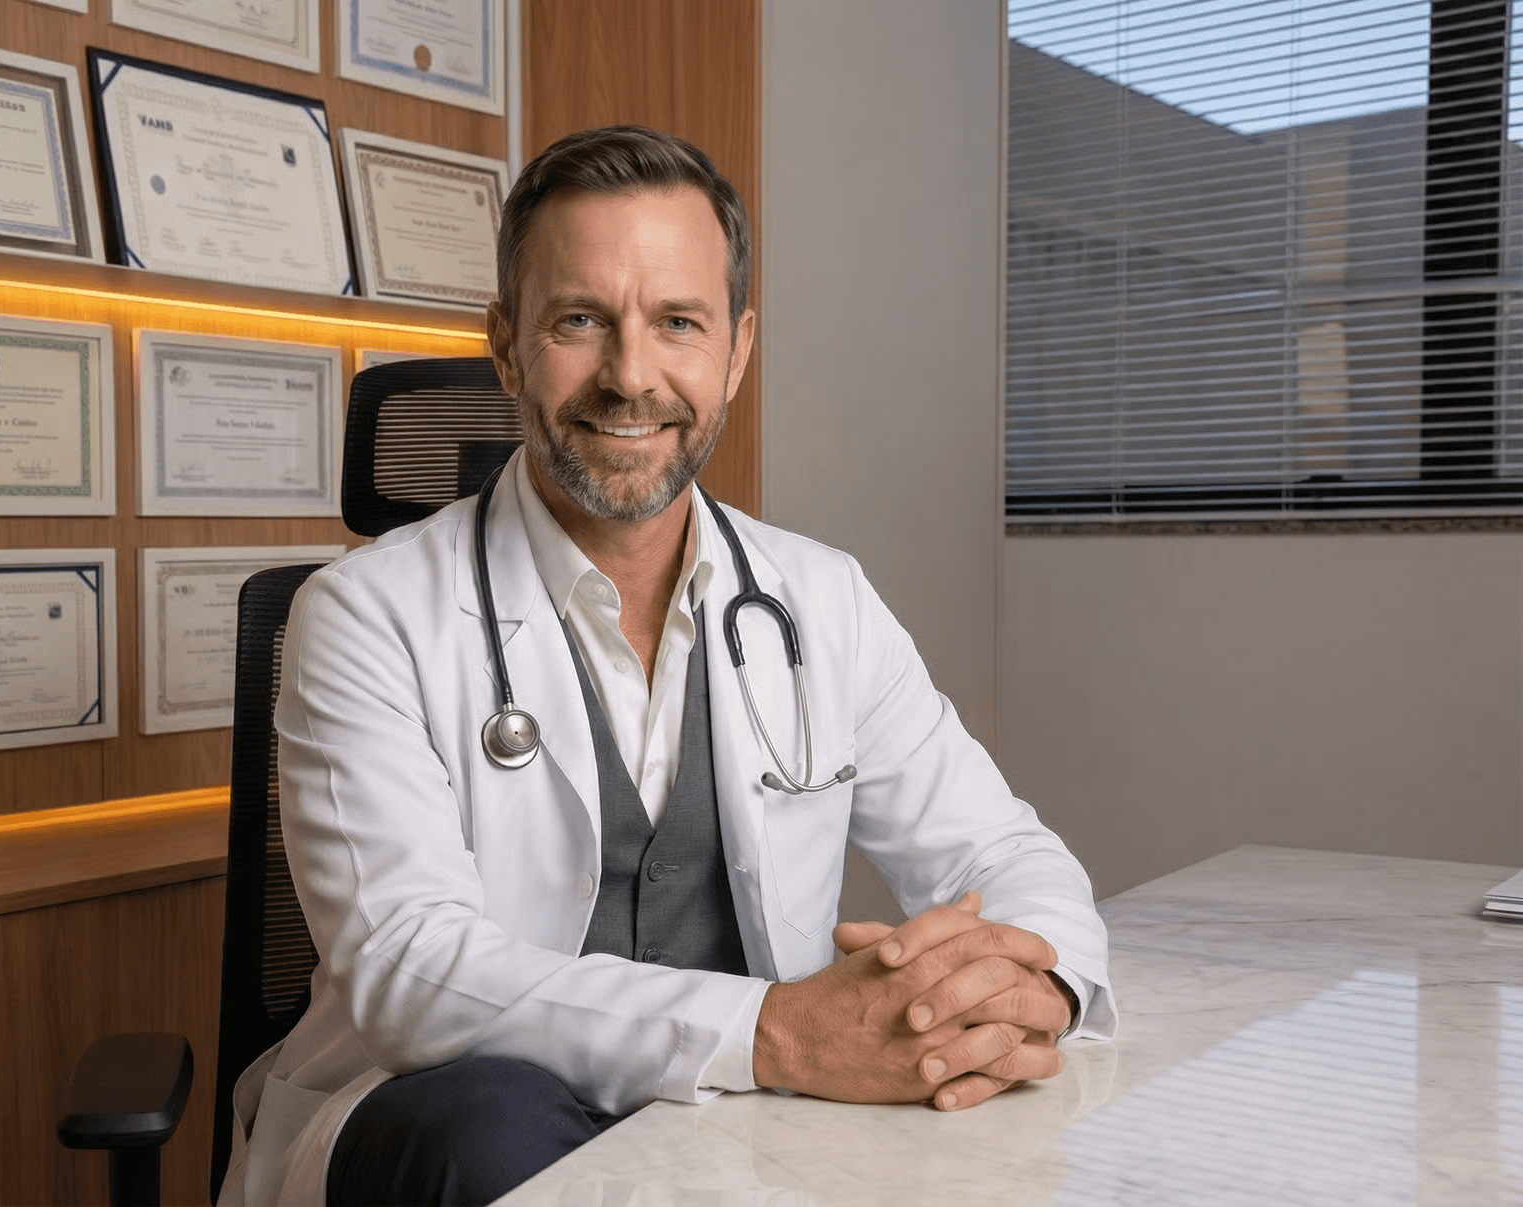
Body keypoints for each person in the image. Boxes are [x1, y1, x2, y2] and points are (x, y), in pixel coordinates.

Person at [219, 125, 1115, 1207]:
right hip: (447, 1122)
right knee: (490, 1127)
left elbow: (1004, 851)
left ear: (736, 350)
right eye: (580, 320)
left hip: (731, 1131)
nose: (631, 377)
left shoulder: (818, 599)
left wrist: (1027, 992)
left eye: (677, 323)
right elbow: (412, 973)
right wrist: (782, 1028)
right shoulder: (366, 615)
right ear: (508, 345)